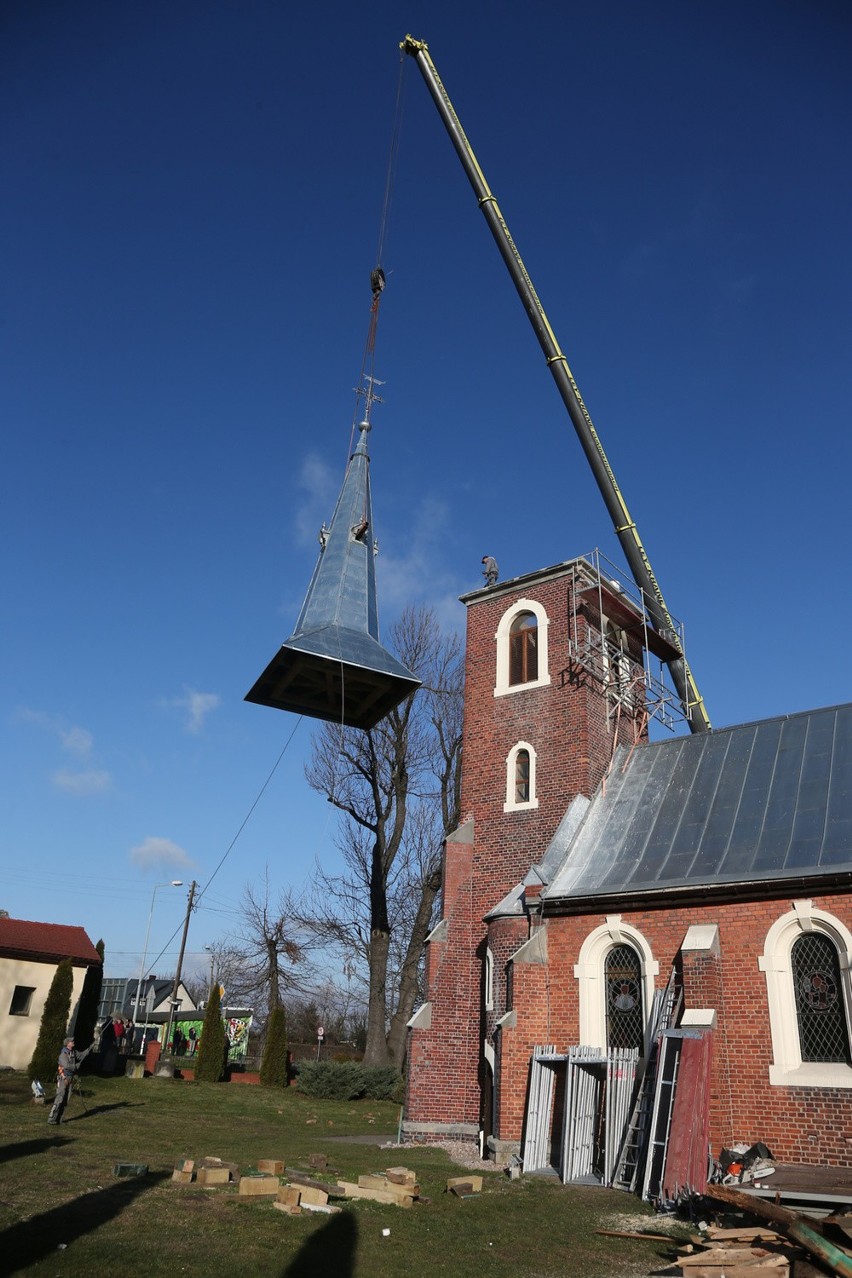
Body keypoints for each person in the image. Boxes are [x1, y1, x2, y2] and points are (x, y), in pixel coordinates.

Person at [48, 1036, 94, 1125]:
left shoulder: (73, 1052)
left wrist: (89, 1048)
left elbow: (81, 1055)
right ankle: (51, 1118)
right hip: (63, 1078)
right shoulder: (63, 1054)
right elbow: (66, 1066)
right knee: (60, 1098)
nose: (73, 1042)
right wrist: (75, 1066)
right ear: (67, 1043)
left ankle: (59, 1119)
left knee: (66, 1100)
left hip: (70, 1078)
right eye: (71, 1041)